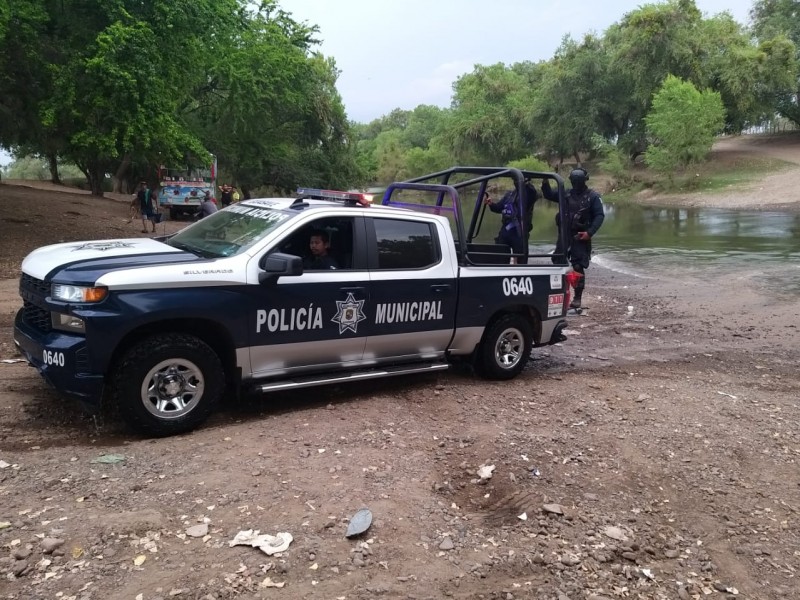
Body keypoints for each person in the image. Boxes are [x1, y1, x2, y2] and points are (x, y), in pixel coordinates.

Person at [541, 167, 605, 309]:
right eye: (574, 181)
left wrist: (589, 232)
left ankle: (577, 297)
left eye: (578, 181)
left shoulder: (592, 196)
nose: (576, 183)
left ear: (584, 181)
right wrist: (545, 181)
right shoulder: (565, 193)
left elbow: (599, 216)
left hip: (580, 236)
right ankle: (559, 293)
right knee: (558, 262)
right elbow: (548, 194)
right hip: (564, 234)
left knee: (577, 265)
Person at [483, 180, 537, 263]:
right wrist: (491, 204)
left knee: (520, 260)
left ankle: (519, 272)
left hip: (519, 233)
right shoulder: (509, 195)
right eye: (514, 179)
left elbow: (533, 194)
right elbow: (498, 207)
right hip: (506, 230)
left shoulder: (528, 194)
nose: (515, 181)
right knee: (500, 257)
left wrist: (526, 183)